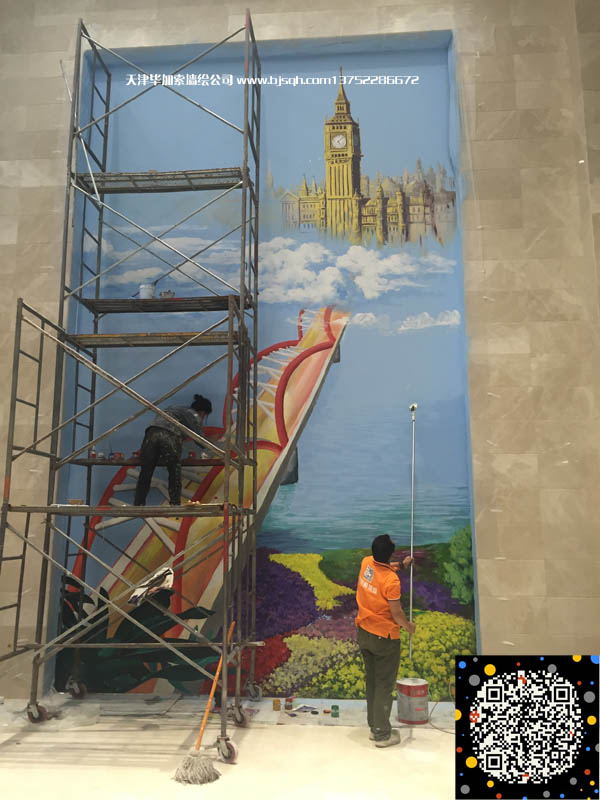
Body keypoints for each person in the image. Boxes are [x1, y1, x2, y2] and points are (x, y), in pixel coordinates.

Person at [355, 533, 416, 748]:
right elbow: (396, 613)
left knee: (372, 681)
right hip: (384, 639)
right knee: (383, 685)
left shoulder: (366, 563)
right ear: (389, 554)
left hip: (364, 632)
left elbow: (382, 568)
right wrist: (408, 627)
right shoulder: (391, 581)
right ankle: (382, 734)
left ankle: (375, 726)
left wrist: (401, 565)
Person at [134, 394, 212, 506]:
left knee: (146, 471)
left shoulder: (174, 409)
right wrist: (212, 447)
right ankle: (175, 504)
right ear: (203, 412)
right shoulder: (193, 414)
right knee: (174, 471)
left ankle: (138, 504)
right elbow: (199, 438)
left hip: (151, 433)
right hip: (170, 435)